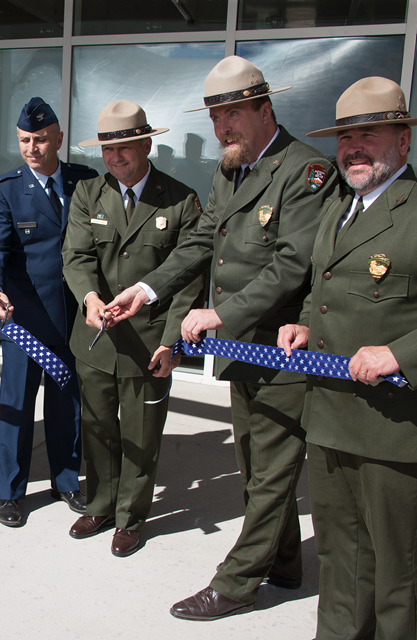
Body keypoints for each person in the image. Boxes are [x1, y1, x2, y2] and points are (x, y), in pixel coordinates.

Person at [106, 55, 338, 618]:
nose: (223, 127)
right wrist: (148, 290)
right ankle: (283, 562)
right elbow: (203, 238)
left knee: (273, 468)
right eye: (215, 117)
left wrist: (220, 314)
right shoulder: (230, 168)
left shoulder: (305, 171)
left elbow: (289, 265)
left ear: (265, 109)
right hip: (241, 349)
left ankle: (236, 582)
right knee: (256, 463)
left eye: (233, 113)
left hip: (283, 348)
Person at [278, 76, 417, 640]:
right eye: (345, 137)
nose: (353, 147)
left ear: (403, 141)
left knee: (397, 573)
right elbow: (325, 287)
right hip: (330, 417)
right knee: (340, 559)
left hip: (392, 430)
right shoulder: (340, 207)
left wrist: (400, 352)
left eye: (369, 134)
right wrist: (306, 323)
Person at [61, 100, 205, 557]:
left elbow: (189, 278)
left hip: (149, 344)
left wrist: (171, 342)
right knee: (98, 428)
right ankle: (101, 504)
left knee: (141, 433)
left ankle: (131, 516)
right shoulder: (89, 193)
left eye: (124, 147)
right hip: (96, 338)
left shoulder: (181, 201)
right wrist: (89, 299)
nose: (115, 158)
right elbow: (77, 256)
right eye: (107, 149)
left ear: (146, 143)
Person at [0, 97, 97, 527]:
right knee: (16, 404)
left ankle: (66, 481)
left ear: (59, 139)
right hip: (25, 317)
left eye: (41, 139)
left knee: (67, 403)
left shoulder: (84, 182)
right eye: (25, 140)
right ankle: (9, 492)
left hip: (72, 314)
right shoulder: (6, 187)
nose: (32, 148)